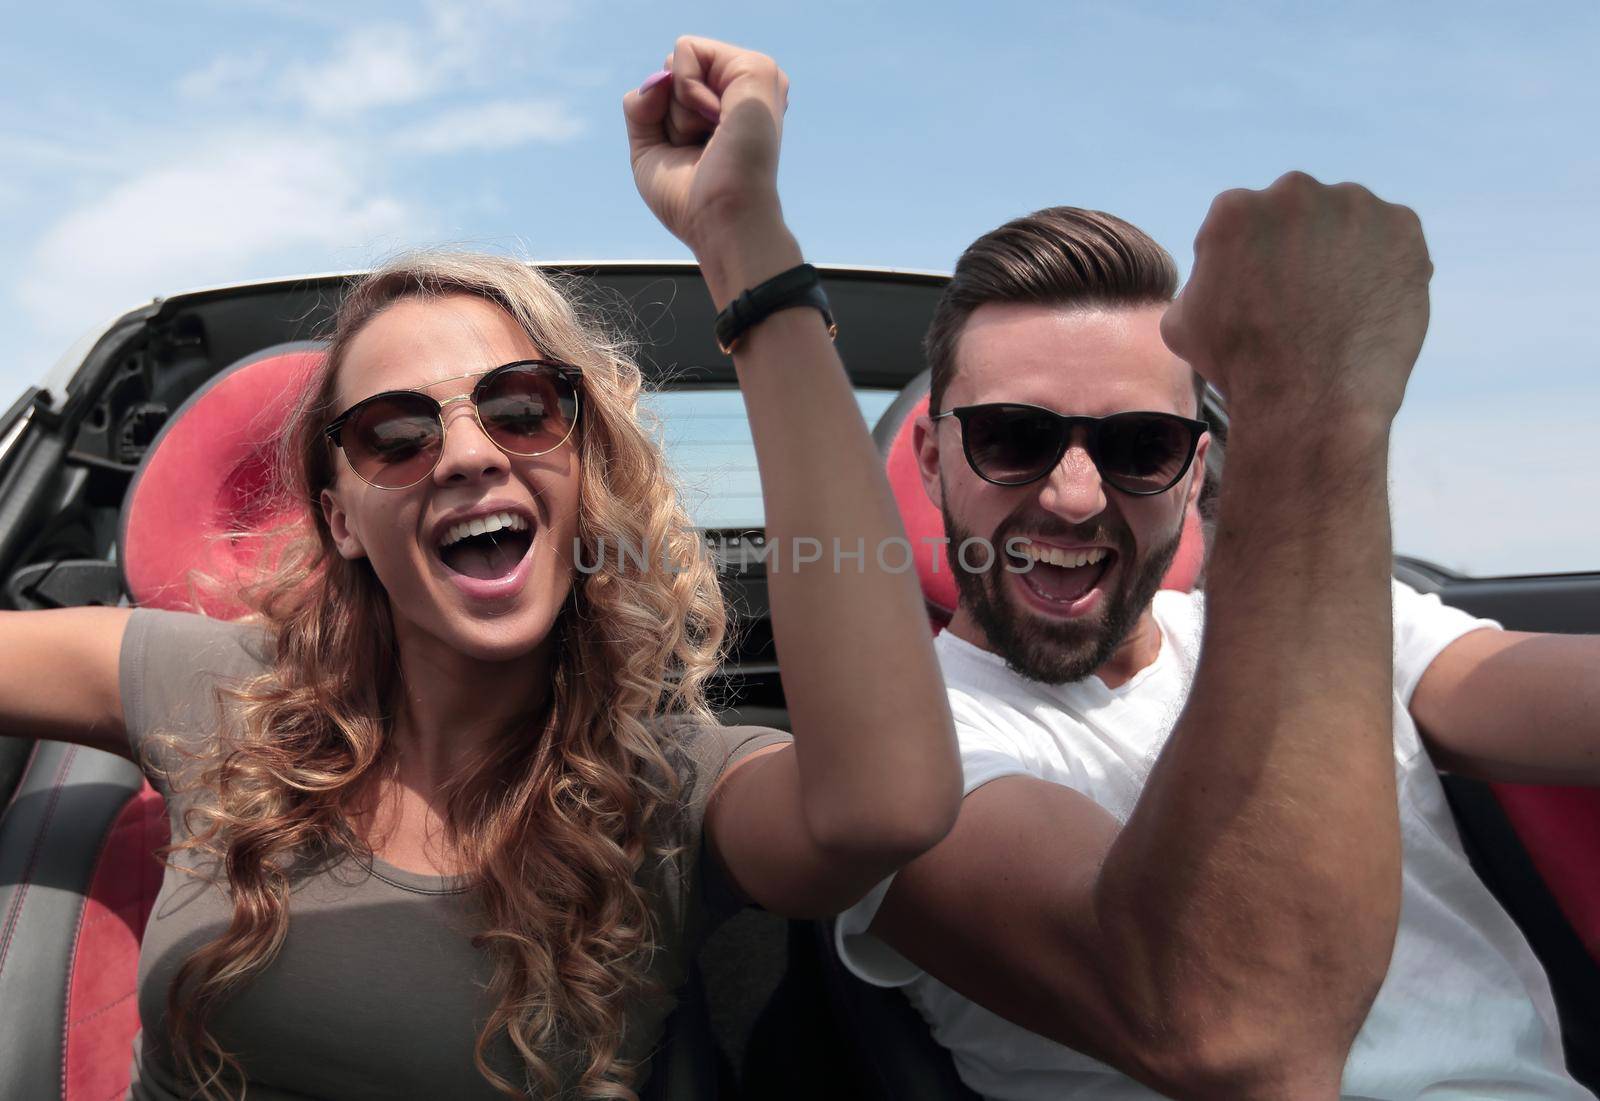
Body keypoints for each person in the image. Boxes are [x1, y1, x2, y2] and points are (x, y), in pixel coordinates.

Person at [0, 37, 961, 1101]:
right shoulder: (214, 682)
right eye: (394, 433)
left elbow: (882, 812)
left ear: (583, 467)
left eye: (518, 409)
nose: (466, 452)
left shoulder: (669, 783)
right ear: (343, 518)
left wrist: (744, 245)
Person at [835, 192, 1600, 1099]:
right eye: (1013, 436)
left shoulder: (1330, 620)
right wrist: (1311, 399)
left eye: (1142, 444)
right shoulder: (895, 750)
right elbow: (1234, 1031)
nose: (1074, 497)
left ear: (1194, 469)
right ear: (929, 458)